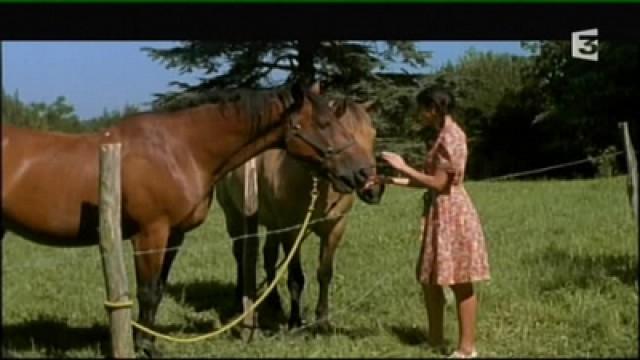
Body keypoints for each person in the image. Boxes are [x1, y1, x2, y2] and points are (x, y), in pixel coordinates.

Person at [365, 86, 490, 358]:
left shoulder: (451, 137)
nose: (419, 115)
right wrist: (388, 179)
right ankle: (435, 341)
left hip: (453, 214)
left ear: (433, 109)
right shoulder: (441, 136)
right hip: (439, 212)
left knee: (460, 280)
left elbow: (439, 183)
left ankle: (467, 349)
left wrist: (402, 165)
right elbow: (427, 181)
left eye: (422, 109)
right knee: (431, 279)